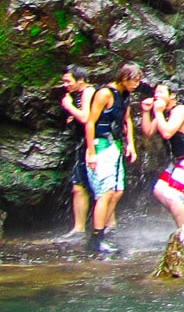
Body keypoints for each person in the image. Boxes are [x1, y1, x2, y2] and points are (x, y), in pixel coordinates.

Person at [82, 62, 142, 254]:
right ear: (124, 78)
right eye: (135, 80)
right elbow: (90, 122)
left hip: (115, 146)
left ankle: (102, 234)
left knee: (117, 192)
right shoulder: (105, 94)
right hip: (100, 146)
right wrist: (91, 151)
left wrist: (130, 144)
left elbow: (127, 120)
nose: (137, 84)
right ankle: (96, 238)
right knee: (105, 192)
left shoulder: (125, 95)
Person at [138, 83, 184, 229]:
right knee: (159, 191)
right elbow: (148, 132)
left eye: (160, 92)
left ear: (172, 95)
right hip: (179, 159)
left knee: (172, 196)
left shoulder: (180, 110)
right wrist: (146, 112)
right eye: (155, 93)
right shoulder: (165, 111)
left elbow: (167, 133)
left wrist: (158, 113)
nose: (156, 95)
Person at [58, 66, 95, 238]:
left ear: (80, 80)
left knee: (87, 187)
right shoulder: (80, 93)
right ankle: (79, 228)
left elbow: (86, 117)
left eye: (68, 81)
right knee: (79, 187)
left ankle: (81, 228)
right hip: (84, 144)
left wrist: (69, 106)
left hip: (92, 145)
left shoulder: (88, 91)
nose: (65, 85)